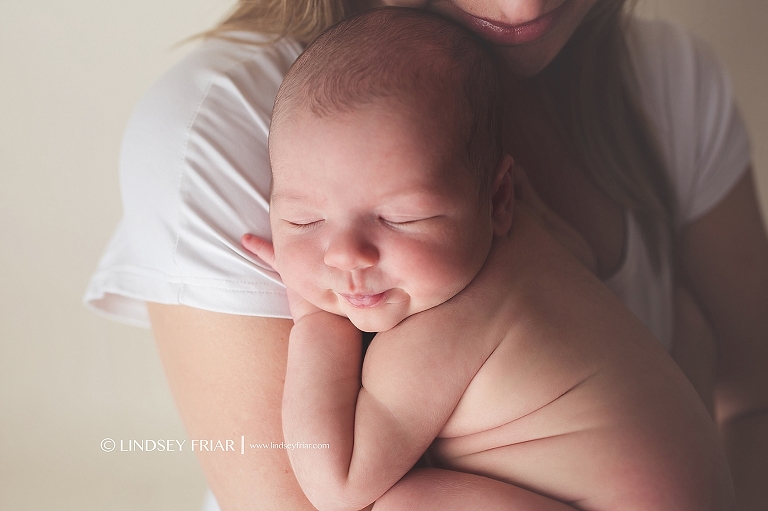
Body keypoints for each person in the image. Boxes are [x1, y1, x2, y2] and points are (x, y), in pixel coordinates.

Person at [83, 0, 768, 509]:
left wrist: (315, 316)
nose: (345, 254)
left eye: (402, 216)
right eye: (302, 220)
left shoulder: (439, 333)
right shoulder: (535, 240)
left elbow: (337, 479)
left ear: (499, 196)